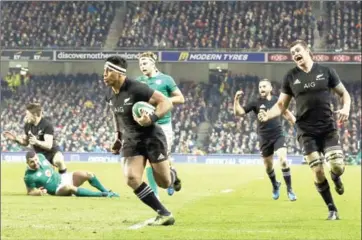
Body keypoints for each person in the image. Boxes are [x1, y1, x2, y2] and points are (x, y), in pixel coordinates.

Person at [258, 40, 351, 220]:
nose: (295, 55)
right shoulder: (291, 76)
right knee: (317, 170)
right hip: (306, 130)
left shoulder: (326, 71)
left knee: (338, 166)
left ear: (307, 51)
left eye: (298, 51)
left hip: (327, 127)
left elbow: (344, 93)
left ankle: (336, 176)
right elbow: (281, 105)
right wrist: (268, 115)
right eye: (292, 53)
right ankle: (332, 209)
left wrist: (346, 108)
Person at [104, 55, 181, 226]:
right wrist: (117, 137)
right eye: (104, 70)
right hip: (131, 140)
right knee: (131, 178)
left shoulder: (137, 88)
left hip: (152, 137)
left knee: (164, 182)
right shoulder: (111, 94)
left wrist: (151, 118)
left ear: (119, 73)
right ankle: (164, 213)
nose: (104, 74)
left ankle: (172, 175)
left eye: (108, 71)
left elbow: (166, 102)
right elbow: (116, 116)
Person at [234, 79, 297, 201]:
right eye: (260, 87)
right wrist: (236, 100)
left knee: (283, 160)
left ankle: (289, 189)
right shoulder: (255, 102)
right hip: (264, 137)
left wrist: (298, 126)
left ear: (270, 88)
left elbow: (287, 113)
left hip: (278, 135)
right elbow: (239, 113)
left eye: (264, 86)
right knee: (268, 167)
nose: (261, 89)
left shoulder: (277, 101)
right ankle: (275, 184)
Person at [137, 51, 185, 197]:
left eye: (145, 63)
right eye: (140, 64)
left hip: (163, 126)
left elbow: (180, 98)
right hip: (145, 126)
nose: (142, 66)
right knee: (150, 160)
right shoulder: (139, 81)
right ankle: (155, 194)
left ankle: (172, 177)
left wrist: (161, 100)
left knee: (163, 159)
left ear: (153, 63)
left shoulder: (166, 80)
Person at [3, 103, 67, 174]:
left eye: (27, 114)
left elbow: (49, 145)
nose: (26, 116)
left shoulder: (47, 125)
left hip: (52, 152)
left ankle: (64, 177)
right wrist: (16, 139)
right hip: (40, 155)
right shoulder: (27, 125)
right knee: (43, 178)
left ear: (35, 114)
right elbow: (26, 142)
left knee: (59, 160)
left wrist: (36, 142)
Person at [24, 150, 119, 197]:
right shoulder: (29, 176)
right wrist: (39, 192)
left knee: (89, 174)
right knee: (69, 187)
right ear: (27, 162)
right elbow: (30, 191)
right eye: (32, 162)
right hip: (57, 189)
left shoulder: (41, 156)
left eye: (36, 160)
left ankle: (107, 191)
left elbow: (49, 166)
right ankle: (102, 195)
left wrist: (53, 165)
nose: (36, 162)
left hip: (63, 177)